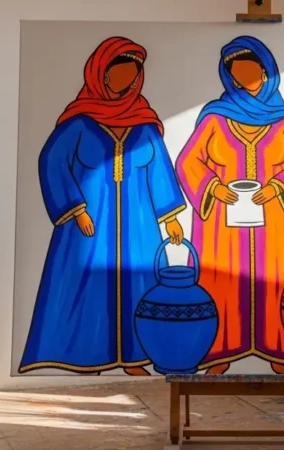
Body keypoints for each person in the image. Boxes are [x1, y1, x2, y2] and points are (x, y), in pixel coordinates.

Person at [19, 36, 186, 376]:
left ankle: (136, 357)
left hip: (138, 227)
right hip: (90, 227)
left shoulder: (143, 126)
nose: (124, 82)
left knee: (141, 286)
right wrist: (76, 209)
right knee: (84, 291)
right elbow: (52, 162)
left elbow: (160, 172)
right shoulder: (78, 124)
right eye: (118, 74)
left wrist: (169, 218)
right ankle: (86, 356)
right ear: (101, 74)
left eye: (131, 75)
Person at [177, 35, 284, 375]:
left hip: (276, 224)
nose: (245, 76)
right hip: (222, 226)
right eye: (237, 71)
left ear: (265, 70)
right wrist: (213, 188)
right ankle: (219, 350)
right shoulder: (215, 119)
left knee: (278, 281)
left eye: (251, 68)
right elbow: (188, 162)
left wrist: (278, 187)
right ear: (229, 76)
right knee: (220, 283)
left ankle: (281, 351)